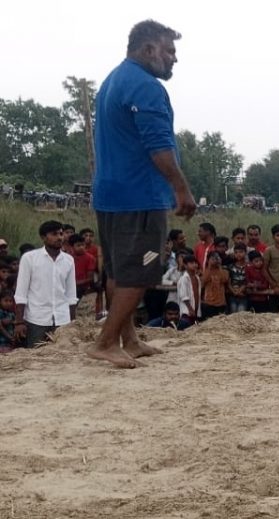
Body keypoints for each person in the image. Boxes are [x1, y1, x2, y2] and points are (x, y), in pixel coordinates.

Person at [86, 20, 197, 368]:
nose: (174, 58)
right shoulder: (146, 87)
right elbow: (158, 145)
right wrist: (181, 188)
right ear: (149, 49)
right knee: (140, 271)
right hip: (139, 195)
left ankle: (129, 339)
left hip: (110, 193)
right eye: (170, 51)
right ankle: (106, 342)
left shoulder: (113, 80)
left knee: (119, 270)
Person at [13, 221, 77, 348]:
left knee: (62, 355)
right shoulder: (29, 258)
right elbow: (21, 293)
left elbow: (71, 295)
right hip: (37, 319)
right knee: (36, 355)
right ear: (43, 237)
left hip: (62, 319)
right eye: (54, 234)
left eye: (61, 234)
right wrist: (19, 322)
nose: (59, 237)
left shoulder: (68, 260)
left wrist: (73, 323)